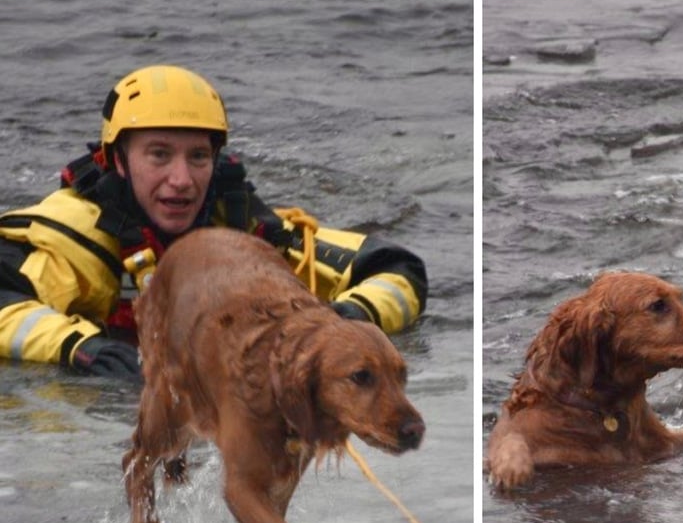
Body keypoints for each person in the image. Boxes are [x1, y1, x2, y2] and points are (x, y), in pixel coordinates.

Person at [0, 65, 427, 381]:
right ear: (118, 161)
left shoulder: (245, 231)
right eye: (159, 155)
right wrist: (80, 347)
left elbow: (397, 269)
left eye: (198, 157)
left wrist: (344, 319)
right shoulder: (71, 238)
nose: (182, 180)